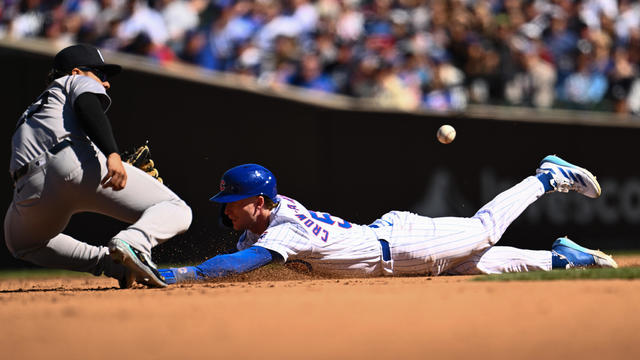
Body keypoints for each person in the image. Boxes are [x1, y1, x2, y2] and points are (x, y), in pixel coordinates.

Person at [159, 158, 617, 284]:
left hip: (402, 245)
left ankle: (545, 177)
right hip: (394, 252)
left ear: (259, 201)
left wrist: (180, 274)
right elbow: (241, 256)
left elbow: (237, 266)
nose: (226, 207)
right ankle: (562, 259)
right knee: (481, 264)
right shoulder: (263, 223)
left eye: (232, 201)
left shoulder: (283, 229)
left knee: (483, 232)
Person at [4, 44, 192, 288]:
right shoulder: (73, 82)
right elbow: (88, 106)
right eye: (100, 74)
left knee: (24, 244)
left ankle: (110, 263)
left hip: (29, 186)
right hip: (72, 164)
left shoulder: (34, 109)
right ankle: (134, 241)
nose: (106, 83)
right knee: (177, 208)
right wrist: (112, 154)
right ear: (75, 72)